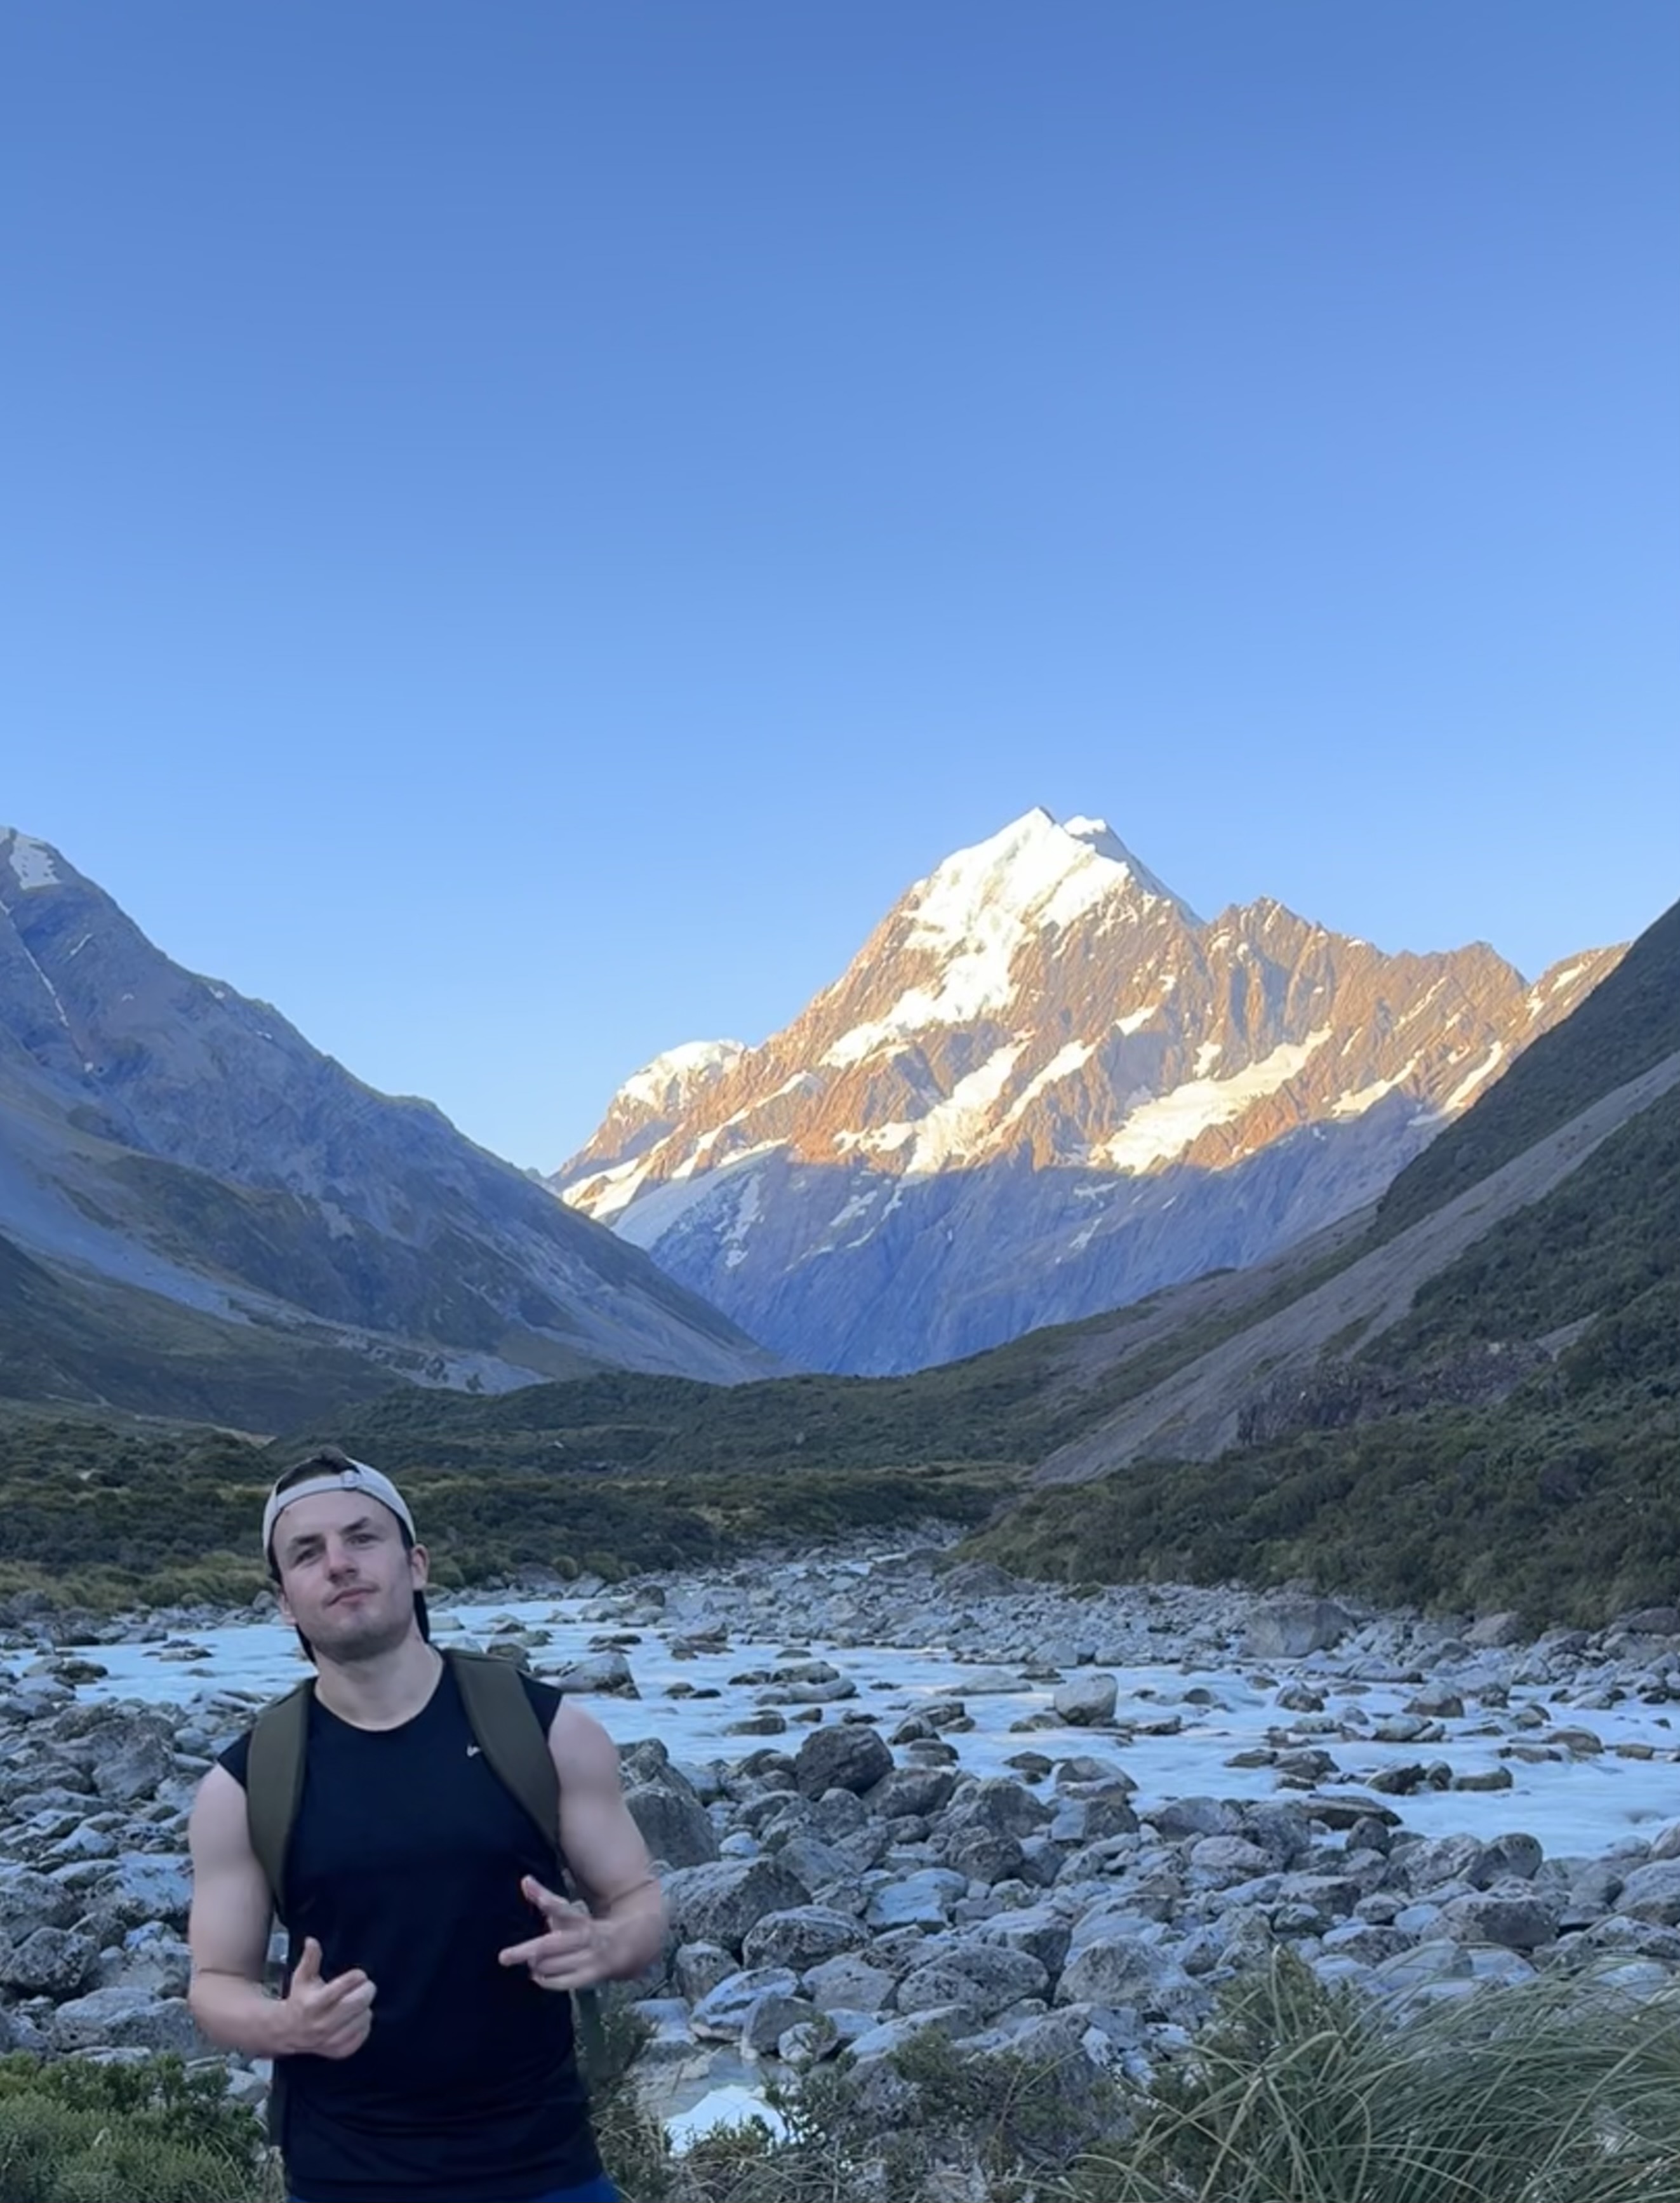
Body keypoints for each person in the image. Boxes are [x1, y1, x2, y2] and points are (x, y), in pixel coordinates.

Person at [187, 1449, 667, 2203]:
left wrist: (607, 1944)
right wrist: (288, 2026)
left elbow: (638, 1901)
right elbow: (215, 1983)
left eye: (362, 1537)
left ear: (416, 1564)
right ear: (284, 1601)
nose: (339, 1563)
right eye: (307, 1553)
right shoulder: (243, 1784)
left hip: (545, 2167)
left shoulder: (546, 1730)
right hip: (346, 2177)